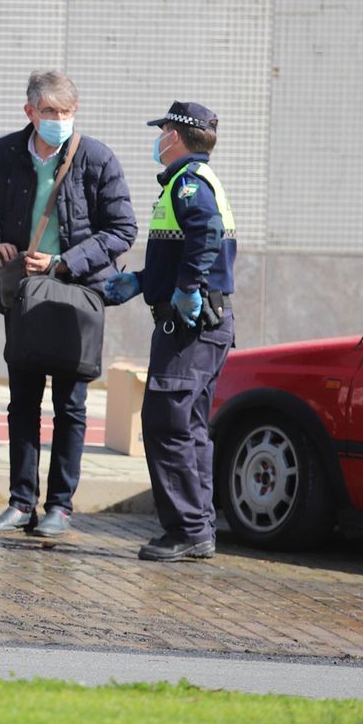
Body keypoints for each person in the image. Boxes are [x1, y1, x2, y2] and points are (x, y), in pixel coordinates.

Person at [0, 70, 136, 539]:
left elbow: (122, 229)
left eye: (66, 112)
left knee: (71, 404)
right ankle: (20, 502)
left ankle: (61, 507)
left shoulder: (96, 157)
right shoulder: (4, 152)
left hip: (77, 294)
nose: (58, 120)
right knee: (23, 401)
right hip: (24, 295)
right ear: (30, 112)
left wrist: (66, 261)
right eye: (49, 112)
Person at [103, 102, 236, 562]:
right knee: (190, 426)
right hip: (202, 324)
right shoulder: (194, 181)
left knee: (167, 422)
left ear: (175, 136)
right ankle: (196, 529)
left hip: (190, 325)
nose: (157, 137)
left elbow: (206, 233)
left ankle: (186, 529)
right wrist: (143, 281)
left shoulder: (188, 184)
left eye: (162, 129)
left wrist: (186, 290)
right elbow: (185, 247)